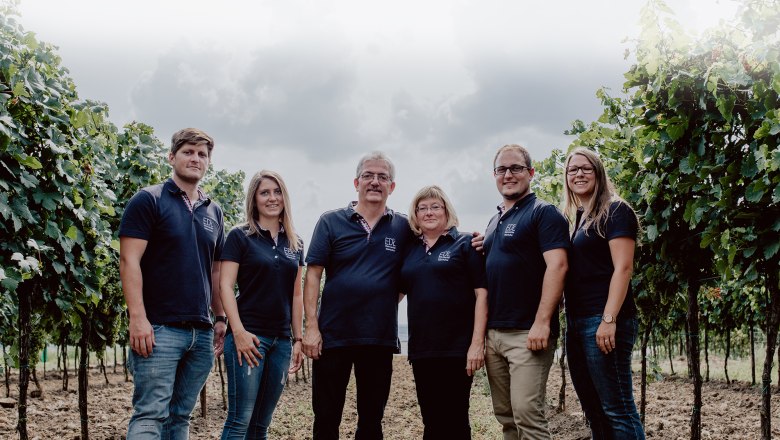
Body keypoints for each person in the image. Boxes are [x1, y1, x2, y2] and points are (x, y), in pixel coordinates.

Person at [119, 128, 227, 438]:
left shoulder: (214, 211)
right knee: (151, 415)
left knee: (180, 416)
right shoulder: (148, 200)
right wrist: (138, 318)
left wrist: (219, 318)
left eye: (202, 154)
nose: (196, 158)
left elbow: (216, 271)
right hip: (159, 329)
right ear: (172, 157)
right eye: (188, 152)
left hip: (202, 333)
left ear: (208, 163)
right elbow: (129, 261)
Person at [302, 151, 412, 440]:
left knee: (372, 420)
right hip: (332, 336)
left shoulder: (403, 227)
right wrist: (311, 327)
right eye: (368, 175)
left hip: (378, 337)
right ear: (356, 182)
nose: (375, 181)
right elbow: (313, 274)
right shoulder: (330, 222)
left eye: (382, 177)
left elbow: (415, 268)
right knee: (326, 417)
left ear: (392, 186)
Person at [481, 144, 569, 440]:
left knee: (527, 414)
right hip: (494, 334)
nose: (508, 174)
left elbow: (557, 267)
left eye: (516, 168)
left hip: (527, 332)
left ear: (531, 173)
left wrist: (542, 321)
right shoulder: (495, 221)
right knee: (506, 417)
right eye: (501, 169)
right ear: (494, 175)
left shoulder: (544, 214)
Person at [562, 148, 645, 439]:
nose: (579, 174)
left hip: (604, 320)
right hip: (577, 321)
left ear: (598, 173)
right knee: (594, 409)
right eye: (573, 170)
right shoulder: (580, 217)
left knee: (618, 409)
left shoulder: (616, 210)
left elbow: (623, 269)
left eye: (586, 168)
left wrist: (608, 319)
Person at [219, 170, 305, 439]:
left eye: (277, 192)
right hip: (249, 337)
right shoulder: (240, 236)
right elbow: (225, 286)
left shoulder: (296, 242)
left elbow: (297, 294)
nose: (272, 198)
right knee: (239, 420)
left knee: (261, 425)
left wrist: (297, 339)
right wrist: (239, 332)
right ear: (254, 199)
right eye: (264, 192)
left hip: (280, 342)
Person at [400, 185, 488, 440]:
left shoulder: (466, 243)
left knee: (456, 419)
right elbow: (398, 292)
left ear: (446, 210)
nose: (429, 212)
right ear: (415, 215)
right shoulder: (411, 250)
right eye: (422, 208)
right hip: (422, 349)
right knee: (431, 419)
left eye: (435, 206)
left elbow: (482, 294)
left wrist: (476, 344)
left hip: (457, 349)